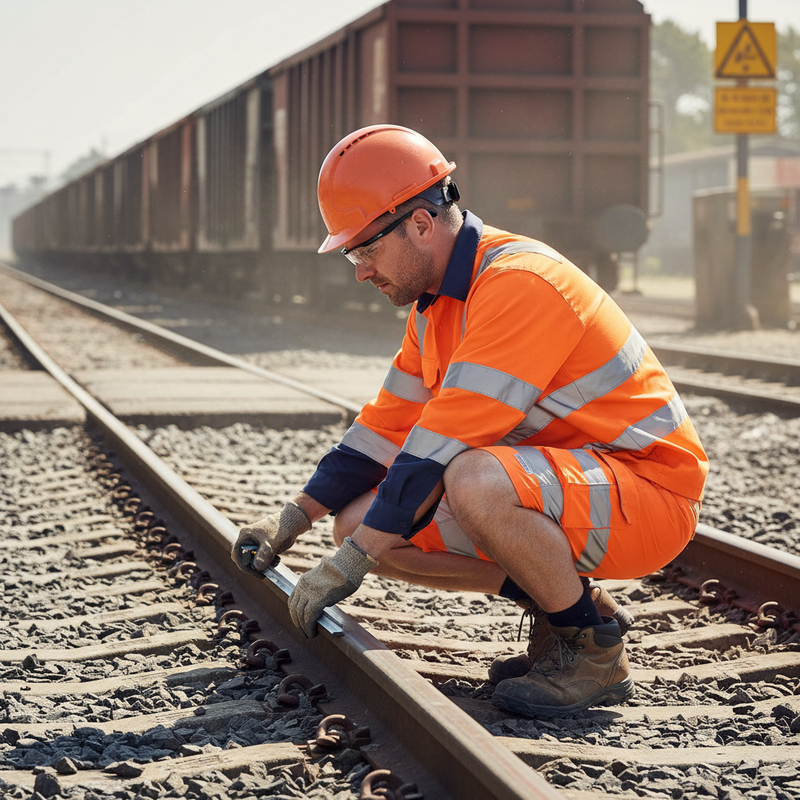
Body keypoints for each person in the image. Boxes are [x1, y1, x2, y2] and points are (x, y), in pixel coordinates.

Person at [231, 124, 709, 717]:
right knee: (358, 522)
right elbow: (383, 431)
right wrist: (292, 520)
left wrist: (347, 568)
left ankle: (593, 653)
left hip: (648, 494)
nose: (359, 271)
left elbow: (436, 450)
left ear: (422, 223)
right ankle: (566, 609)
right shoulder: (435, 308)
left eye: (365, 249)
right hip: (573, 486)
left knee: (471, 477)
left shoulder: (518, 284)